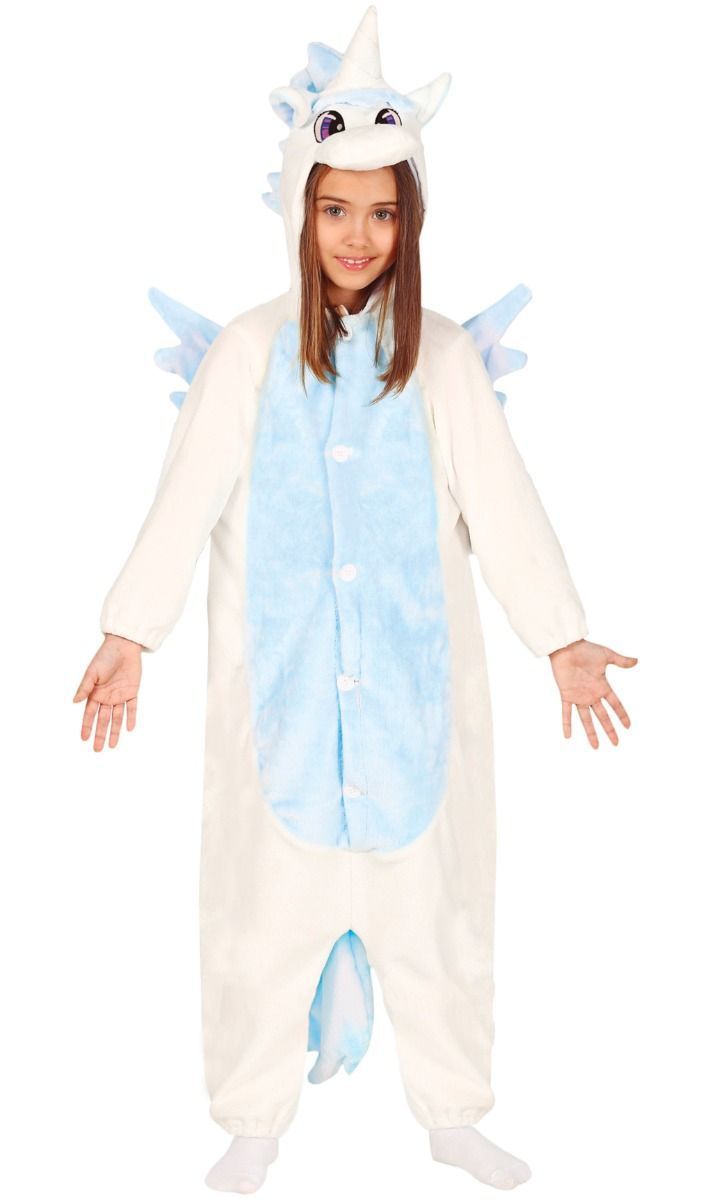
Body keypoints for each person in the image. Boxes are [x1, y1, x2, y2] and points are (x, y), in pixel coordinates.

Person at [73, 6, 637, 1193]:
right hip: (276, 707)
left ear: (410, 222)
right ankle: (252, 1119)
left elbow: (506, 505)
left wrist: (562, 637)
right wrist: (131, 631)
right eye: (335, 209)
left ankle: (452, 1112)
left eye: (383, 213)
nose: (358, 236)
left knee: (439, 921)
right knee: (257, 922)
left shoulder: (441, 359)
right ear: (300, 209)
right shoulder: (247, 355)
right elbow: (184, 499)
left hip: (415, 709)